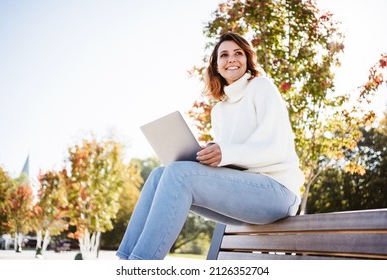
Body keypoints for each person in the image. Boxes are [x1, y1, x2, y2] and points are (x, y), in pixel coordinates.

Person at [116, 32, 305, 260]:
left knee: (177, 174)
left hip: (278, 193)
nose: (231, 59)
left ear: (247, 59)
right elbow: (234, 165)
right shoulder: (219, 111)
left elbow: (274, 147)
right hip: (246, 198)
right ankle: (124, 261)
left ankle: (140, 266)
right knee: (159, 175)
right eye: (224, 55)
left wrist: (224, 153)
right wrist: (208, 158)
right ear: (216, 65)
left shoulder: (261, 87)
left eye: (238, 53)